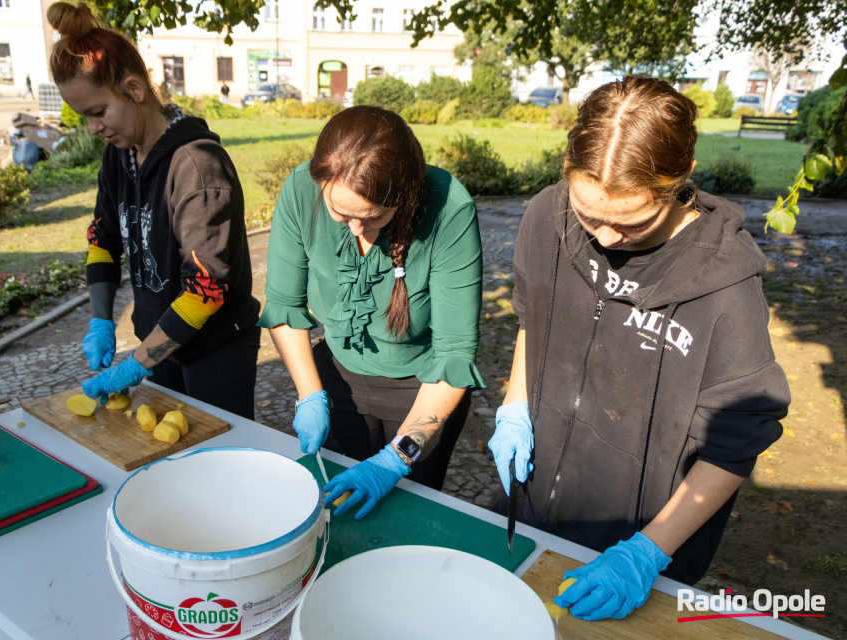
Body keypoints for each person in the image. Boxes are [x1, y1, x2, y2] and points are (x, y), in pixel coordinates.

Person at [490, 76, 790, 621]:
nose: (603, 239)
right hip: (537, 503)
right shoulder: (546, 218)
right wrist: (514, 405)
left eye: (632, 221)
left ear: (679, 186)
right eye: (588, 215)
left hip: (643, 540)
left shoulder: (726, 288)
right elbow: (534, 319)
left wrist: (649, 550)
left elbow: (736, 443)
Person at [260, 105, 484, 519]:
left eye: (373, 216)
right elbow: (284, 306)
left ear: (406, 196)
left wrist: (396, 459)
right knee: (339, 512)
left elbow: (454, 355)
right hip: (338, 379)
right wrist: (310, 393)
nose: (356, 230)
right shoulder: (299, 191)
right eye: (341, 214)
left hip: (422, 391)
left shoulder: (450, 209)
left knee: (405, 520)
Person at [47, 2, 261, 417]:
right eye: (83, 118)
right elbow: (103, 238)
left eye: (98, 112)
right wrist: (100, 319)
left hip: (215, 348)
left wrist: (135, 365)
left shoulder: (197, 166)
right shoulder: (119, 157)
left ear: (134, 89)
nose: (94, 129)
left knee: (217, 462)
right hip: (159, 342)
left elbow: (206, 289)